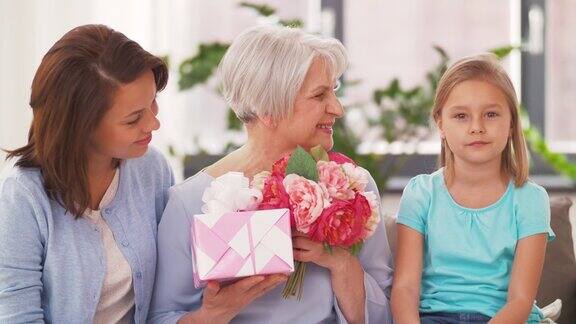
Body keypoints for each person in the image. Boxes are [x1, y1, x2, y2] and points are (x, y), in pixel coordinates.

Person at [149, 24, 393, 324]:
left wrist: (341, 264)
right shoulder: (189, 203)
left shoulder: (352, 186)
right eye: (319, 95)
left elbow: (385, 315)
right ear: (268, 108)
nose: (337, 108)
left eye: (335, 91)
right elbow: (162, 317)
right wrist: (215, 313)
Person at [0, 24, 174, 324]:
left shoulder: (151, 168)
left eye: (153, 104)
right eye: (134, 119)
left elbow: (170, 293)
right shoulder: (23, 196)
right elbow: (18, 316)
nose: (153, 124)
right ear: (80, 126)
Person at [391, 53, 555, 324]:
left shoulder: (530, 199)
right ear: (441, 123)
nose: (477, 127)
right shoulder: (420, 194)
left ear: (511, 122)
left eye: (490, 114)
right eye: (461, 116)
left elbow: (521, 300)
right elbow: (405, 288)